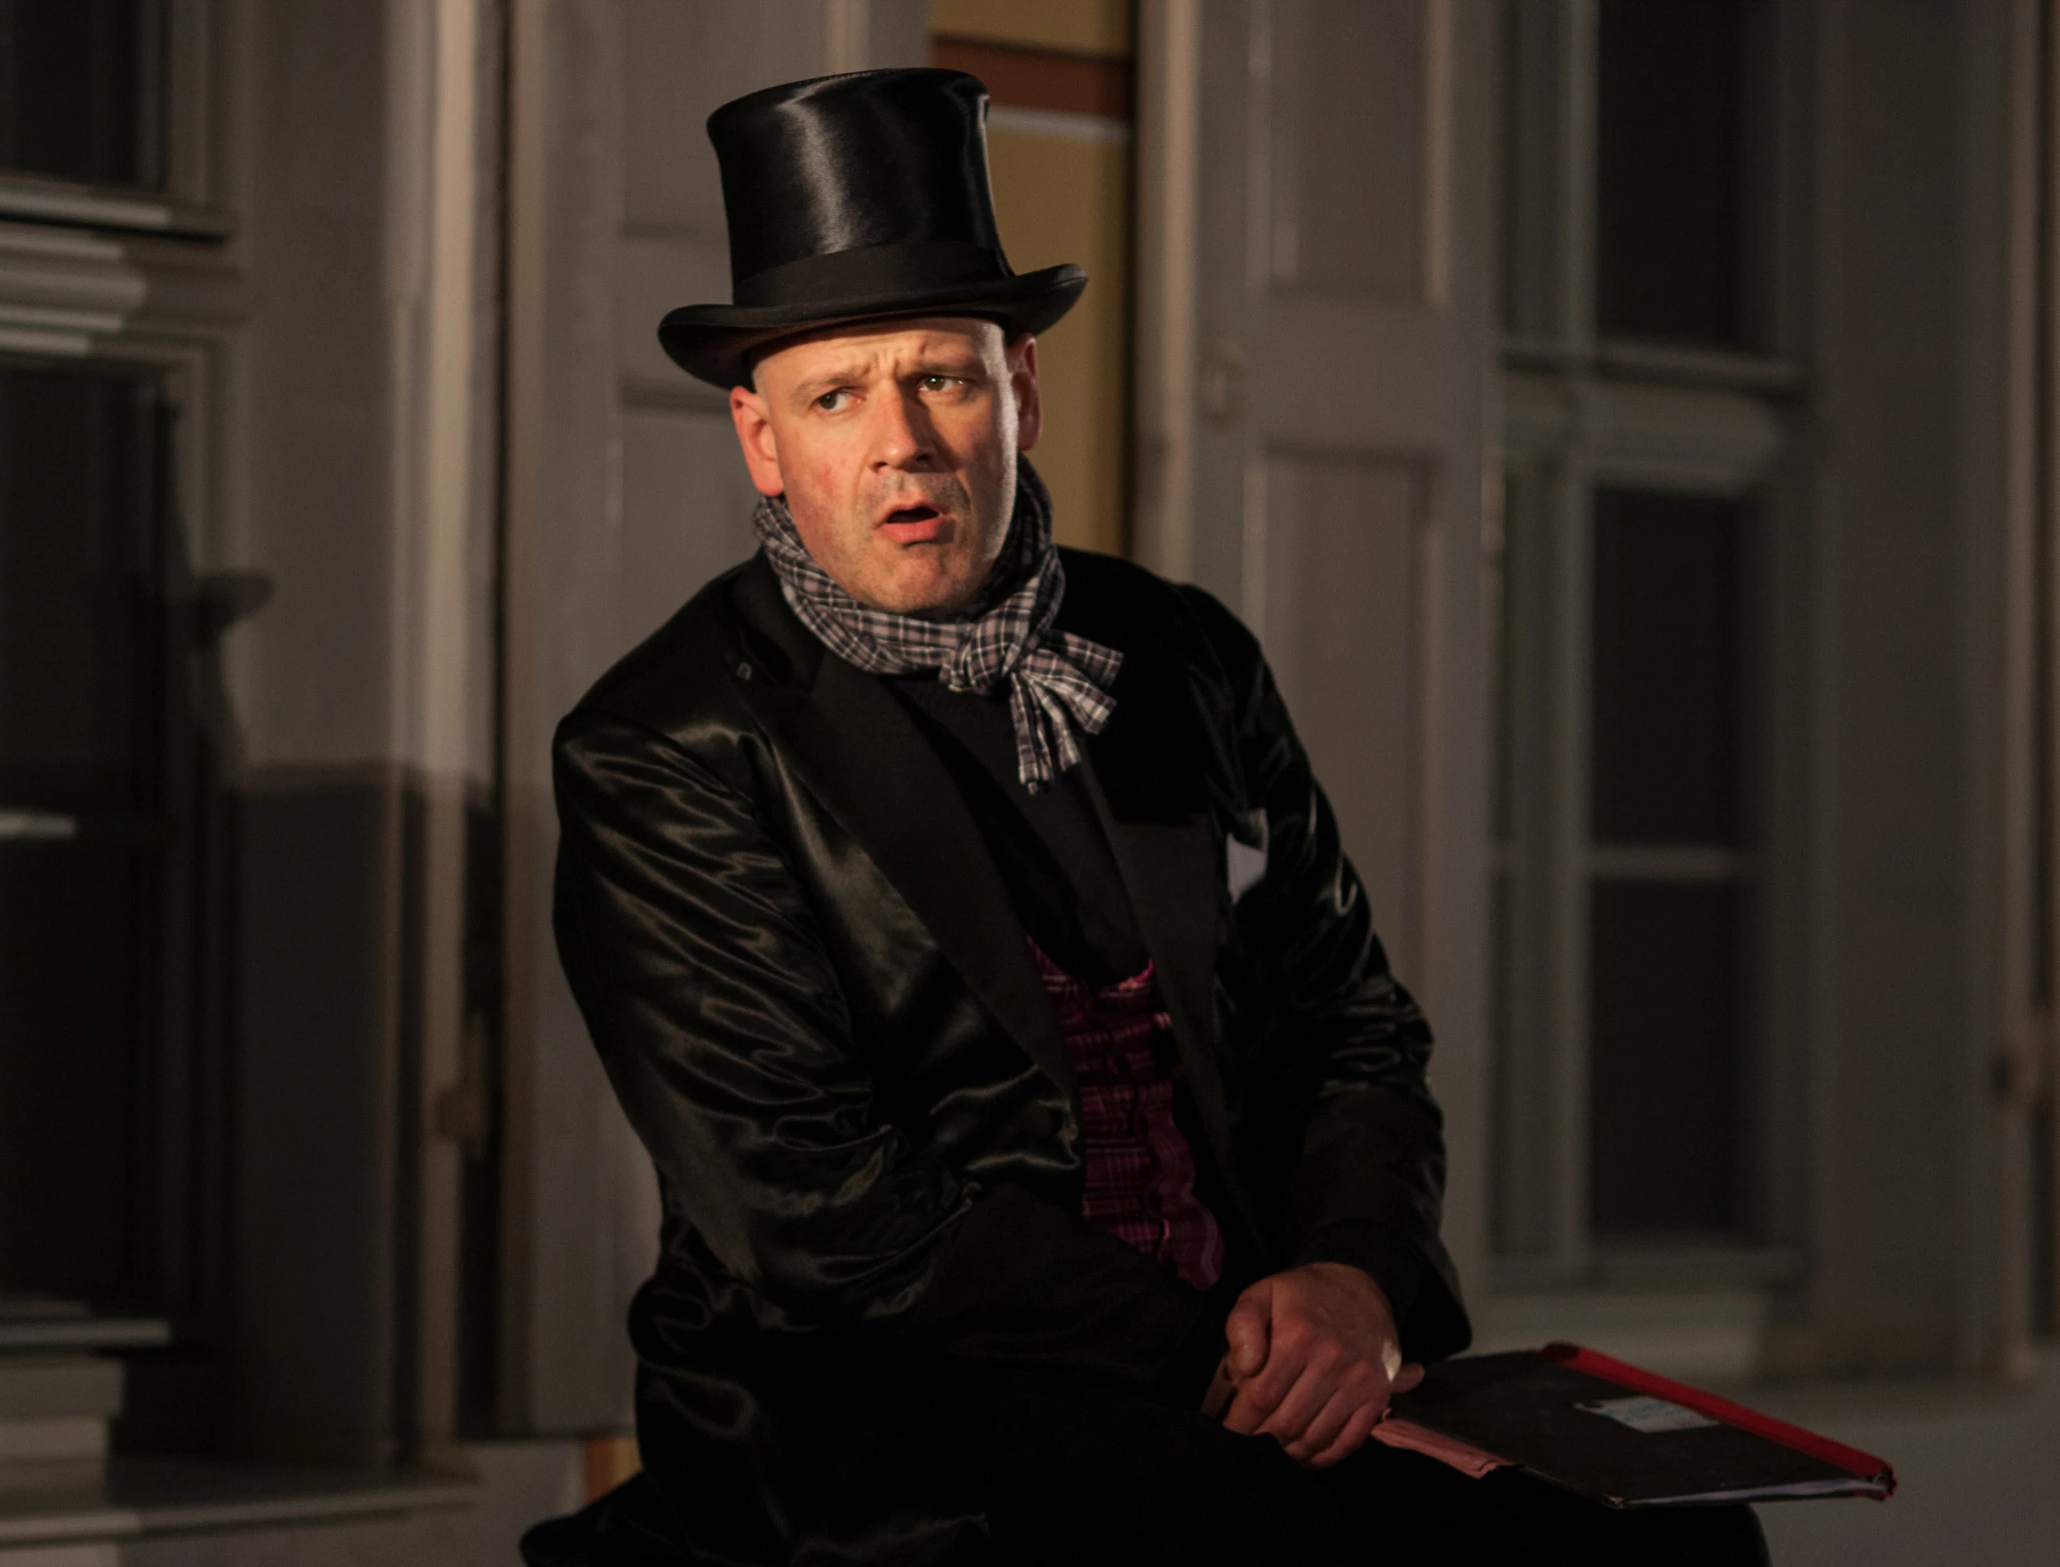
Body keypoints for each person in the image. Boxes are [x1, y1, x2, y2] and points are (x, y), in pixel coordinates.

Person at [523, 68, 1769, 1567]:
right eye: (836, 394)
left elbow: (1350, 1026)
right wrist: (1221, 1355)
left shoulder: (1178, 652)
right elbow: (819, 1209)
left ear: (1022, 391)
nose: (901, 441)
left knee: (1677, 1534)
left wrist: (1354, 1282)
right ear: (761, 439)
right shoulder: (663, 743)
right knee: (1232, 1535)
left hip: (1271, 1343)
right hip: (886, 1402)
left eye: (945, 376)